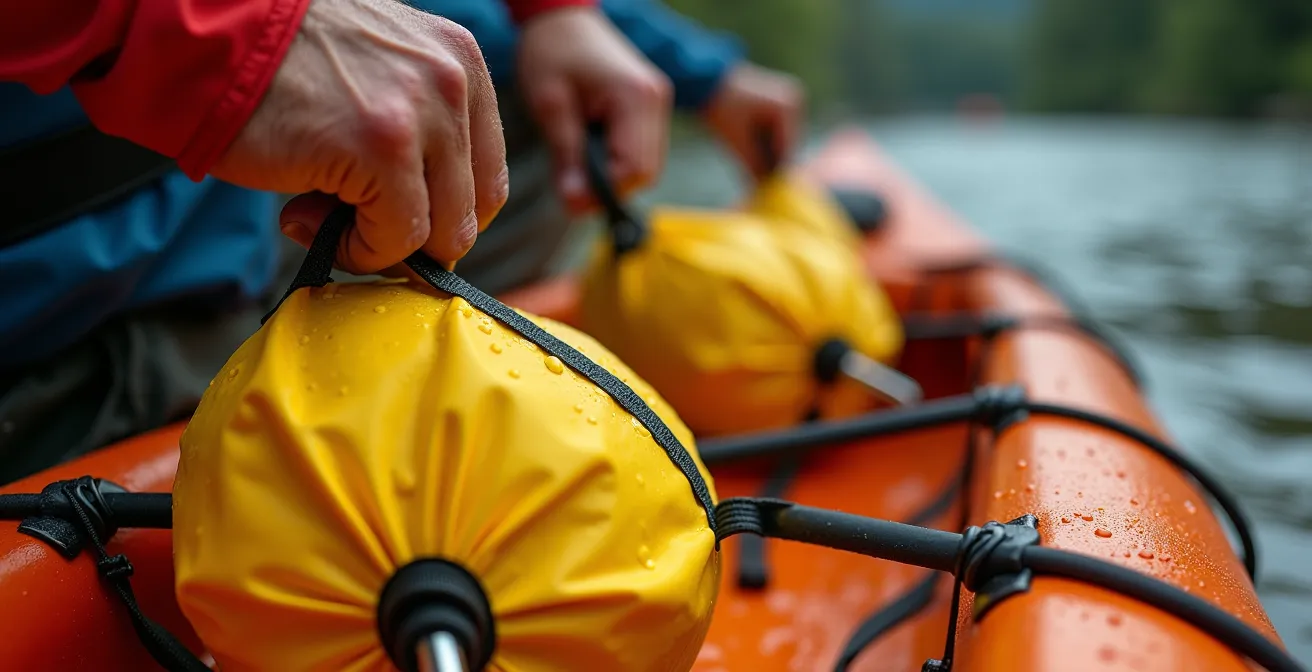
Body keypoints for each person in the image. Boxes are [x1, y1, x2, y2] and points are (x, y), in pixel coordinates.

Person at [0, 0, 802, 482]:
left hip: (217, 216)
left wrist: (571, 19)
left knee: (495, 91)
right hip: (56, 284)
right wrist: (225, 39)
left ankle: (342, 384)